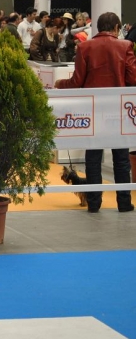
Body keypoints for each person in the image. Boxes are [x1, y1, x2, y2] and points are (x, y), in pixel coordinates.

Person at [54, 12, 136, 213]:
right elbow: (133, 79)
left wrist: (59, 83)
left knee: (92, 157)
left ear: (98, 28)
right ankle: (124, 202)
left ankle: (94, 202)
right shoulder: (125, 46)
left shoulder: (84, 47)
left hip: (93, 110)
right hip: (118, 110)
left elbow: (77, 82)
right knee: (121, 158)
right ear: (117, 27)